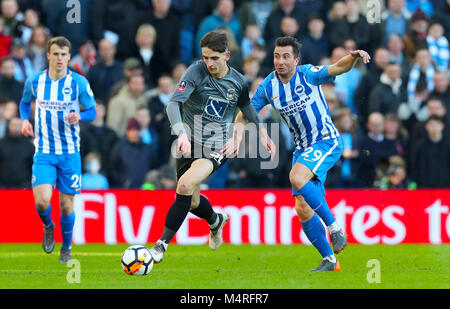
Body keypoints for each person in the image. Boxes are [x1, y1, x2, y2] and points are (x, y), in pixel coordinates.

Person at [234, 36, 371, 271]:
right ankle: (330, 259)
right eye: (277, 56)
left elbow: (337, 67)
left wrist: (354, 57)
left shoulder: (308, 74)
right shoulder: (268, 86)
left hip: (325, 141)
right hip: (302, 148)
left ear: (296, 59)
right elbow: (246, 113)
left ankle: (335, 228)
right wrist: (236, 135)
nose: (280, 61)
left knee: (296, 177)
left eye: (286, 56)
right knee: (302, 206)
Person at [149, 30, 274, 263]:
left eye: (214, 58)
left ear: (226, 55)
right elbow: (173, 105)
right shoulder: (195, 72)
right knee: (192, 200)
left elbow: (246, 109)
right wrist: (182, 134)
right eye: (205, 57)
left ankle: (160, 245)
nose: (209, 63)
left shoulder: (238, 82)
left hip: (218, 143)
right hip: (188, 141)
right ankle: (216, 221)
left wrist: (262, 131)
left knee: (184, 184)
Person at [19, 36, 97, 263]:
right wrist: (25, 121)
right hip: (43, 151)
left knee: (65, 206)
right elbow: (25, 103)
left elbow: (93, 112)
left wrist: (80, 115)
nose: (60, 58)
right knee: (42, 202)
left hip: (70, 153)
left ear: (69, 56)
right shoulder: (35, 81)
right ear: (48, 56)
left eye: (64, 54)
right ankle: (48, 225)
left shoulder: (79, 83)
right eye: (56, 54)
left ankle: (67, 246)